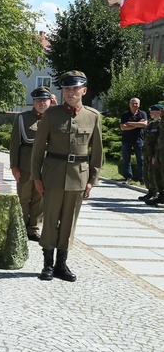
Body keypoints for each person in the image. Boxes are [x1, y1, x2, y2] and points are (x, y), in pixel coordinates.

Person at [31, 70, 103, 282]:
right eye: (66, 89)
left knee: (69, 221)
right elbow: (38, 148)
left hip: (78, 176)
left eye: (75, 88)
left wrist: (92, 180)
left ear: (84, 90)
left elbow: (97, 152)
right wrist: (36, 176)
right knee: (51, 219)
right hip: (52, 174)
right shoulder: (52, 115)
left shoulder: (93, 116)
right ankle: (47, 264)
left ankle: (62, 264)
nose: (70, 93)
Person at [10, 86, 51, 241]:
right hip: (26, 165)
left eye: (45, 100)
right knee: (24, 198)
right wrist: (14, 166)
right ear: (33, 101)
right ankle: (20, 226)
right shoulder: (23, 118)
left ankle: (33, 228)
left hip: (46, 165)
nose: (42, 103)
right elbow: (15, 144)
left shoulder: (54, 118)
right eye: (38, 100)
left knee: (39, 198)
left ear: (49, 101)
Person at [120, 97, 147, 184]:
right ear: (129, 104)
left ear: (139, 104)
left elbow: (144, 124)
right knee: (126, 160)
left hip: (139, 140)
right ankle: (128, 178)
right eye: (133, 103)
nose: (134, 105)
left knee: (141, 160)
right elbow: (123, 127)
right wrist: (138, 124)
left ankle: (142, 179)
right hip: (126, 140)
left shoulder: (142, 114)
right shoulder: (125, 115)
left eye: (136, 103)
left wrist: (130, 123)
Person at [140, 104, 161, 203]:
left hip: (155, 153)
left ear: (159, 112)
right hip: (147, 152)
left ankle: (156, 192)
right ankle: (150, 191)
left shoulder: (160, 124)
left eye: (152, 111)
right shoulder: (151, 124)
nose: (150, 113)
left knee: (154, 172)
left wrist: (155, 155)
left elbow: (159, 141)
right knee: (147, 172)